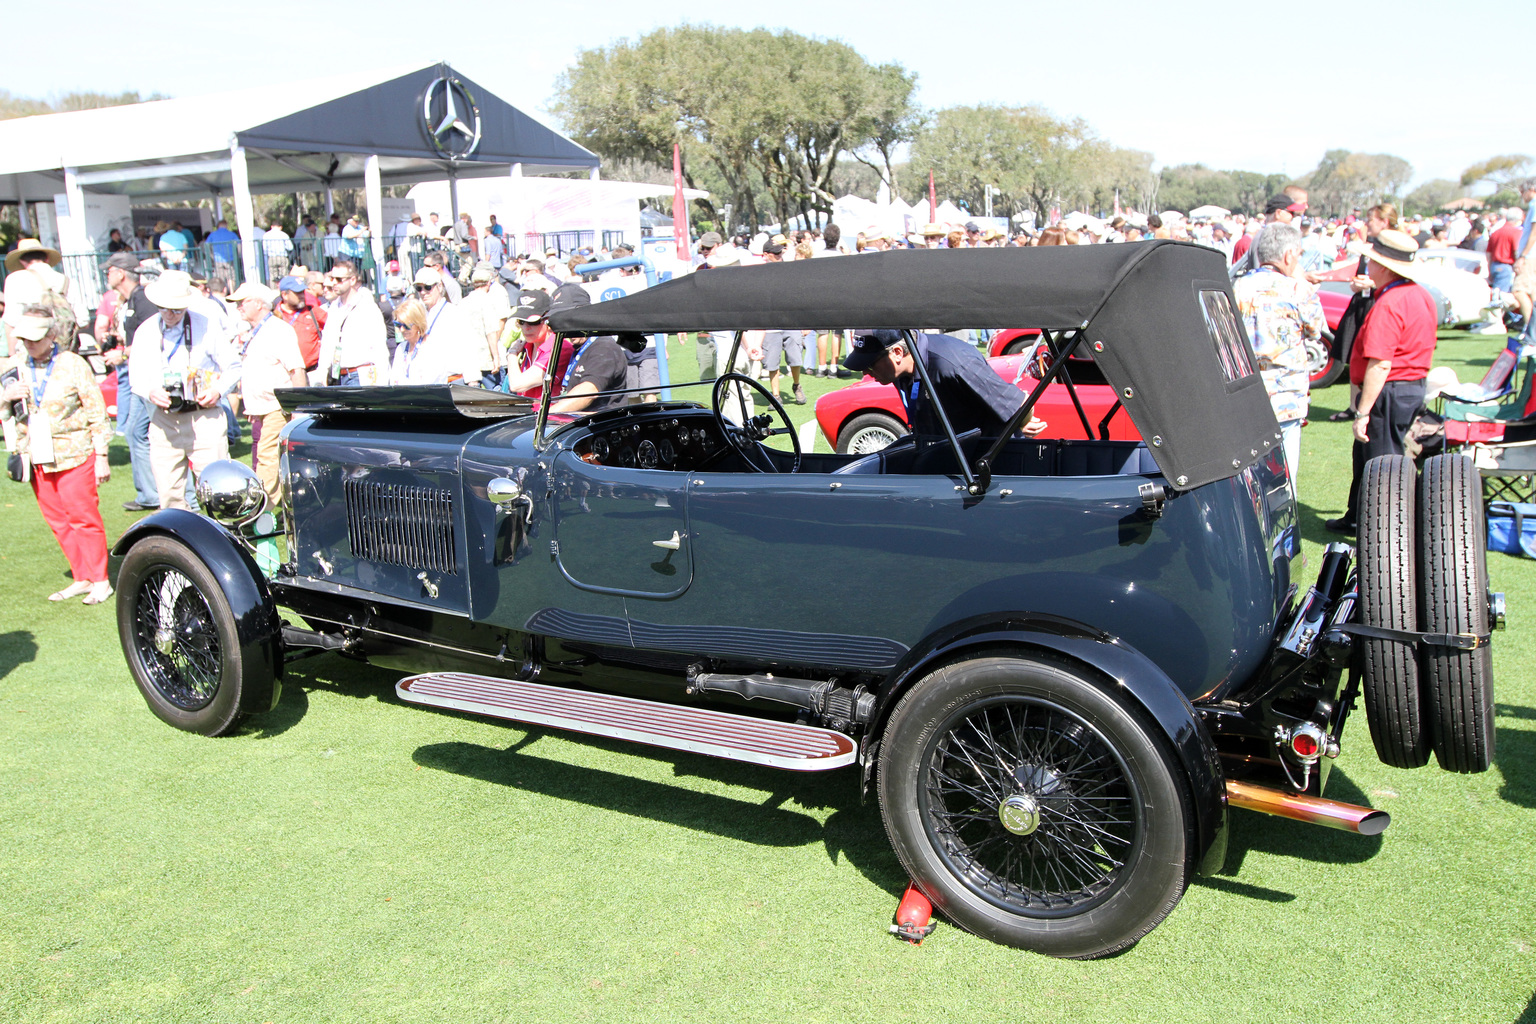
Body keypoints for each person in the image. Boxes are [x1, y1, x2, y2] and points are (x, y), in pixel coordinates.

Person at [1326, 230, 1438, 534]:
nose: (1367, 266)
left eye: (1371, 261)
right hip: (1407, 385)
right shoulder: (1418, 294)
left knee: (1382, 464)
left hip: (1391, 388)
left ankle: (1384, 531)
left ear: (1385, 267)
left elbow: (1380, 363)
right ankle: (1358, 517)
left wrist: (1362, 411)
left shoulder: (1391, 302)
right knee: (1367, 456)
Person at [0, 306, 113, 603]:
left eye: (35, 339)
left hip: (75, 453)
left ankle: (101, 579)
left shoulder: (73, 363)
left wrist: (101, 455)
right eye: (24, 339)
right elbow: (7, 410)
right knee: (58, 521)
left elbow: (96, 411)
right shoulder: (16, 366)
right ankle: (82, 577)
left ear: (52, 335)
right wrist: (6, 396)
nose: (29, 344)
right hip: (37, 455)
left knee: (83, 516)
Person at [129, 270, 242, 511]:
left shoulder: (205, 325)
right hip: (164, 418)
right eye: (165, 308)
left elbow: (233, 366)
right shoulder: (146, 331)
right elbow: (136, 374)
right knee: (168, 493)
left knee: (217, 486)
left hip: (204, 414)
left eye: (177, 310)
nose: (170, 314)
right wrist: (149, 391)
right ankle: (180, 541)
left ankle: (226, 537)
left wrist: (218, 391)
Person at [1232, 223, 1326, 494]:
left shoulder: (1235, 287)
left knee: (1247, 476)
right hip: (1286, 398)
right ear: (1288, 256)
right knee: (1285, 477)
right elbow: (1315, 329)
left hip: (1245, 395)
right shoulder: (1298, 290)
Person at [843, 329, 1047, 438]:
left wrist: (1022, 421)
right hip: (946, 453)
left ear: (897, 353)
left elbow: (1019, 404)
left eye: (870, 365)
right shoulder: (899, 367)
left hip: (985, 463)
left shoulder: (953, 363)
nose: (865, 372)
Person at [230, 282, 305, 508]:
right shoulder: (256, 330)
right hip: (261, 409)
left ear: (259, 304)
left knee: (268, 460)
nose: (238, 307)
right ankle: (268, 506)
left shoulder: (278, 330)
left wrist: (298, 409)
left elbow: (297, 370)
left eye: (242, 303)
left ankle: (262, 510)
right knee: (267, 459)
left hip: (276, 407)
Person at [316, 261, 388, 385]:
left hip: (359, 375)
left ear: (352, 280)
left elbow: (379, 346)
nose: (334, 283)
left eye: (339, 279)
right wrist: (322, 372)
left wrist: (382, 381)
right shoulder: (334, 307)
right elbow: (327, 343)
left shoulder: (366, 306)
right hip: (337, 375)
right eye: (332, 278)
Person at [458, 261, 512, 387]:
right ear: (489, 283)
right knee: (497, 393)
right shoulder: (487, 302)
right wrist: (496, 358)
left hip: (470, 359)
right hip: (486, 359)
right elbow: (491, 332)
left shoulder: (463, 303)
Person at [387, 298, 452, 385]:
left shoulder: (433, 346)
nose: (402, 330)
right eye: (398, 325)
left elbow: (427, 382)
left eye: (406, 326)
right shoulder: (401, 348)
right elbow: (394, 381)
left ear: (418, 323)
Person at [275, 274, 325, 382]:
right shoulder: (275, 316)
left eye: (303, 292)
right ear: (285, 295)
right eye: (298, 293)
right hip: (287, 375)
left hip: (313, 372)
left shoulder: (312, 311)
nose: (302, 296)